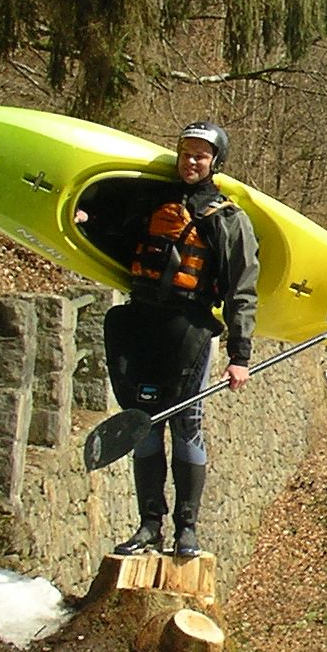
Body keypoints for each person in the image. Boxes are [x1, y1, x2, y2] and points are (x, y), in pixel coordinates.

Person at [98, 120, 260, 558]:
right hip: (141, 322)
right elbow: (112, 235)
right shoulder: (152, 198)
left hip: (188, 329)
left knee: (185, 424)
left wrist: (239, 356)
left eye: (201, 156)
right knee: (143, 423)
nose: (191, 161)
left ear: (215, 163)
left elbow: (241, 292)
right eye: (185, 152)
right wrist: (85, 217)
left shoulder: (227, 219)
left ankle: (186, 528)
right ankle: (148, 526)